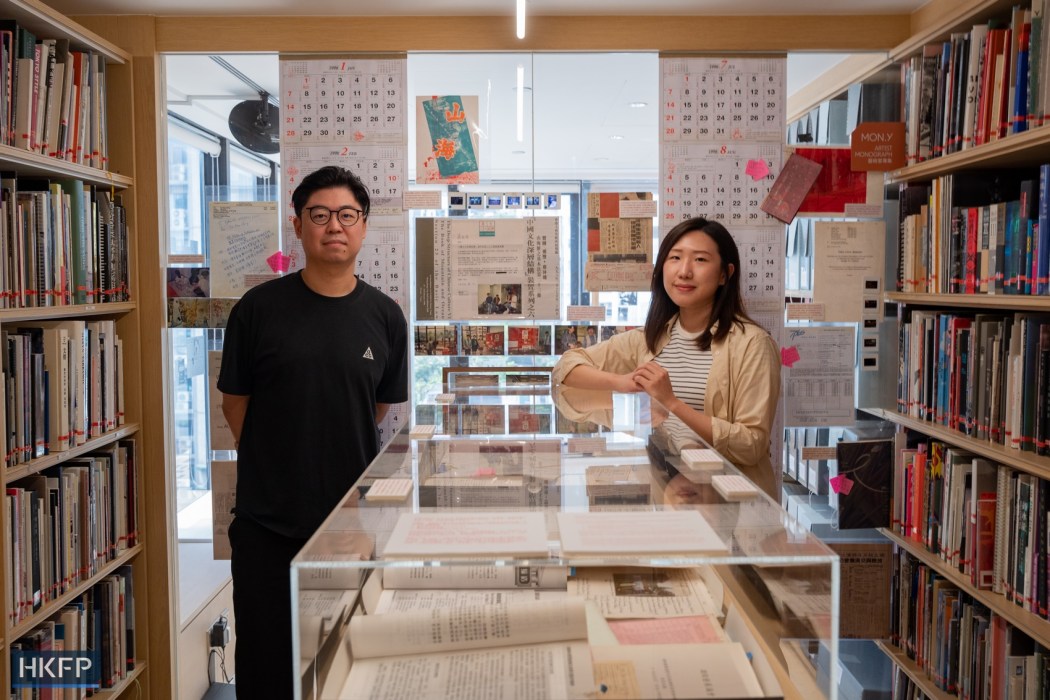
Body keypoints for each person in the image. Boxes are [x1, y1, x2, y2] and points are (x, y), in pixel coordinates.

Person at [218, 165, 408, 699]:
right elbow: (236, 405)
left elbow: (375, 409)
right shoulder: (257, 310)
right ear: (298, 225)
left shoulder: (386, 315)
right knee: (267, 666)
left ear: (364, 227)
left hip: (349, 527)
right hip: (266, 528)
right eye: (319, 215)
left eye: (347, 215)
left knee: (345, 664)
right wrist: (280, 459)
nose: (334, 227)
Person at [552, 217, 780, 496]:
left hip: (729, 501)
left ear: (725, 274)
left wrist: (670, 402)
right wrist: (622, 383)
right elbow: (565, 368)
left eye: (700, 260)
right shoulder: (650, 338)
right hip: (666, 489)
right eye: (675, 258)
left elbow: (752, 443)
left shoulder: (752, 344)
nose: (684, 272)